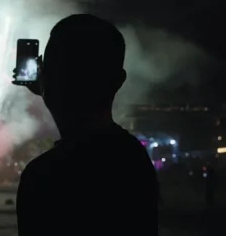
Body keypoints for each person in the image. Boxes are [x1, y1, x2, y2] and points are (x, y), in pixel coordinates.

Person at [13, 14, 159, 235]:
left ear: (46, 76)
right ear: (118, 81)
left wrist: (47, 87)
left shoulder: (44, 176)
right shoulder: (133, 157)